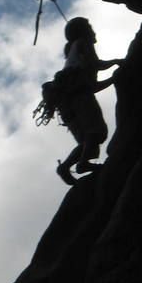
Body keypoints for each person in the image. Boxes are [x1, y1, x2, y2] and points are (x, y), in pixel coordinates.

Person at [56, 17, 123, 185]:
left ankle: (66, 167)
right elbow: (97, 64)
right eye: (90, 28)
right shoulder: (82, 43)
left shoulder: (72, 59)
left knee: (88, 140)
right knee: (97, 131)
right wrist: (116, 63)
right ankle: (83, 164)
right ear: (84, 32)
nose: (93, 32)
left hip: (66, 103)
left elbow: (92, 86)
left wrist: (113, 79)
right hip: (79, 97)